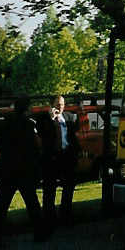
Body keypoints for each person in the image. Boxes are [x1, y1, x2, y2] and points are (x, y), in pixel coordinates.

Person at [0, 97, 46, 247]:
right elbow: (35, 147)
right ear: (26, 109)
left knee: (1, 204)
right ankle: (40, 233)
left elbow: (1, 147)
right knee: (32, 202)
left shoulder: (6, 124)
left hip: (8, 168)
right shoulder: (29, 124)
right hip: (25, 169)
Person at [39, 95, 80, 230]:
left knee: (68, 187)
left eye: (62, 104)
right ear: (51, 105)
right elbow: (42, 133)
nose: (60, 107)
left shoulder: (69, 117)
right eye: (57, 105)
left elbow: (74, 135)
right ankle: (49, 218)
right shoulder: (44, 118)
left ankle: (66, 214)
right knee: (50, 189)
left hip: (66, 156)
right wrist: (51, 119)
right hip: (52, 158)